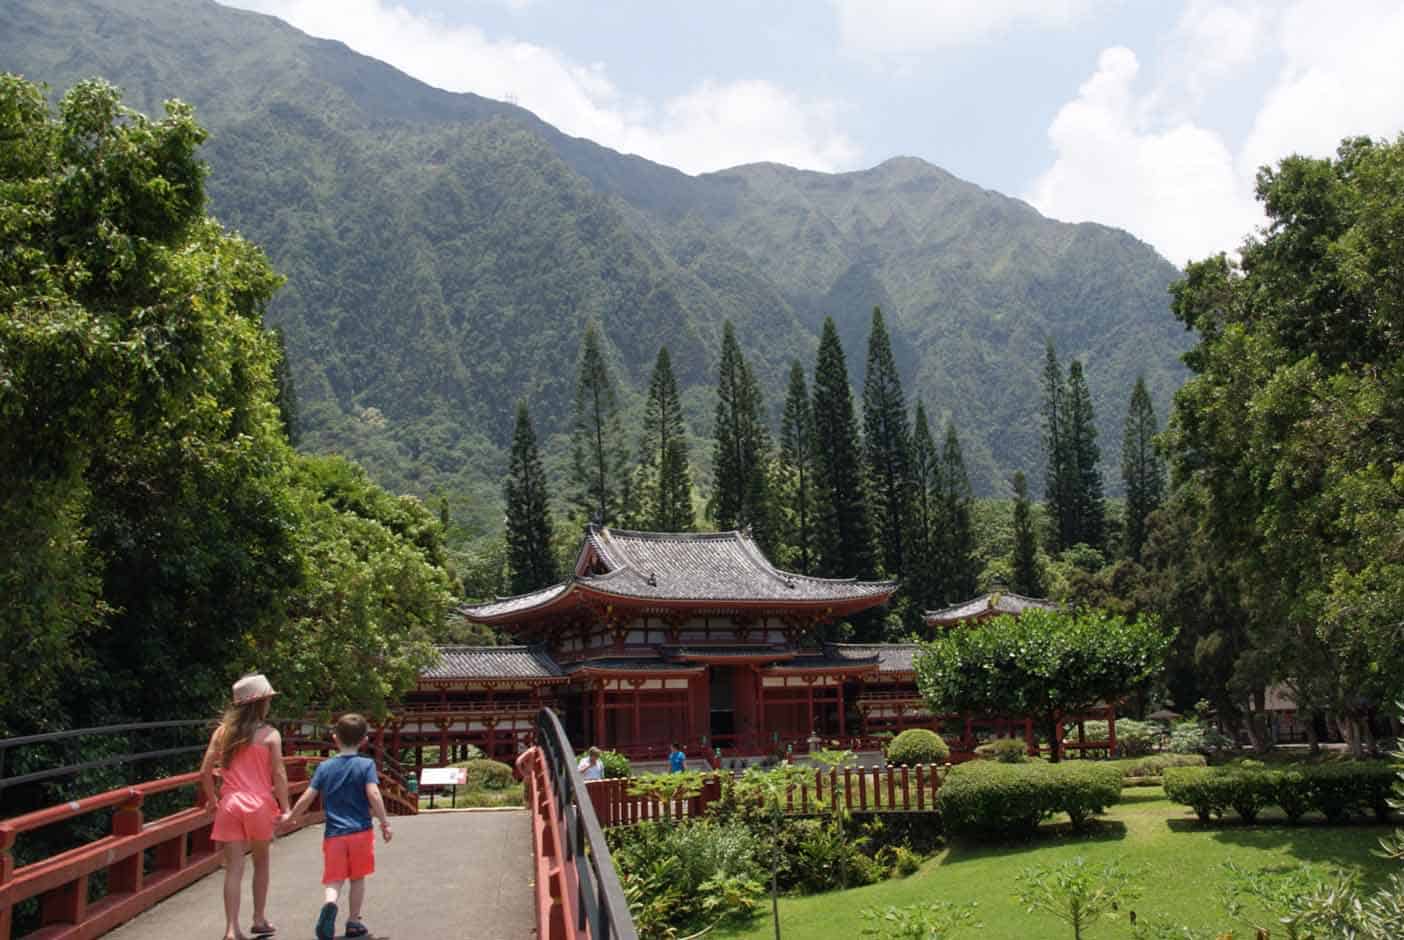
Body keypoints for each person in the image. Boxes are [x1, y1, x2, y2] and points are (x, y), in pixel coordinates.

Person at [284, 713, 394, 940]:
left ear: (335, 739)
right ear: (364, 740)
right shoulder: (366, 765)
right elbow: (373, 793)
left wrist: (292, 816)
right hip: (360, 831)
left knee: (334, 878)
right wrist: (384, 822)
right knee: (357, 878)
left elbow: (308, 795)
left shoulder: (325, 768)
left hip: (334, 833)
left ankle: (330, 903)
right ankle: (353, 921)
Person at [201, 673, 290, 940]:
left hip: (230, 804)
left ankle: (231, 928)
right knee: (261, 862)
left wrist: (212, 799)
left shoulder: (222, 733)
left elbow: (205, 771)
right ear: (261, 702)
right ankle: (259, 918)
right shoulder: (270, 735)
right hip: (260, 803)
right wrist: (285, 807)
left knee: (234, 868)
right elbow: (279, 773)